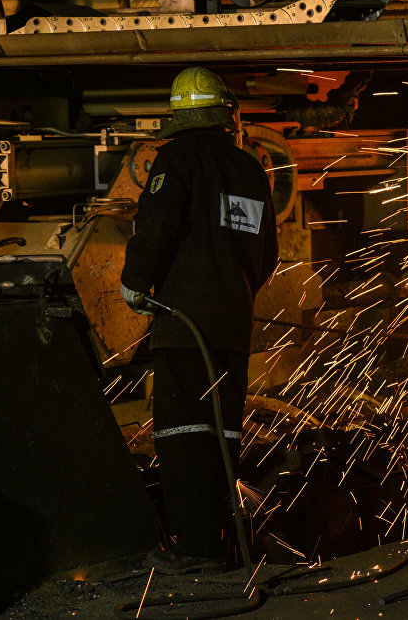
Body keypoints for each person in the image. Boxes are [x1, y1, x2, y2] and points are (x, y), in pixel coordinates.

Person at [120, 67, 278, 573]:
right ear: (224, 114)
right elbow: (267, 253)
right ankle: (228, 544)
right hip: (232, 326)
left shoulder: (177, 159)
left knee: (182, 433)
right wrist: (235, 291)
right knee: (223, 435)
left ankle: (196, 549)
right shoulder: (249, 168)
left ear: (179, 117)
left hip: (184, 325)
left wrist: (135, 280)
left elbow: (158, 224)